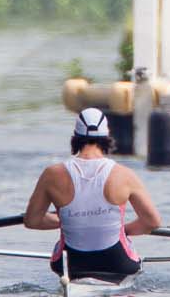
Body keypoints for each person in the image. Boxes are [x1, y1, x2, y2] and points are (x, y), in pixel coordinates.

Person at [25, 107, 161, 281]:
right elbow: (152, 221)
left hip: (72, 263)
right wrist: (123, 230)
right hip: (117, 262)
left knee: (63, 248)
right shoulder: (124, 174)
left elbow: (32, 221)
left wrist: (69, 220)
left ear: (75, 138)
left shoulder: (52, 174)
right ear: (107, 138)